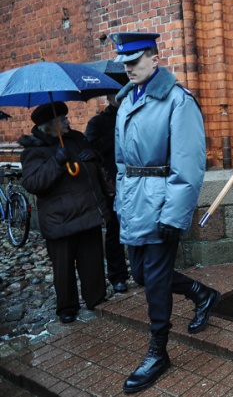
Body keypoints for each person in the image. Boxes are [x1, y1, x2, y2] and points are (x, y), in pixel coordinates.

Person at [108, 32, 220, 394]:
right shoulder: (126, 100)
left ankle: (158, 351)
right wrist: (120, 203)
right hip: (134, 202)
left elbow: (188, 164)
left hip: (160, 203)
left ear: (155, 59)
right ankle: (201, 293)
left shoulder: (176, 100)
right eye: (125, 62)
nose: (129, 67)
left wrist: (175, 215)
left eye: (136, 60)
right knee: (141, 274)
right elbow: (122, 162)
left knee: (154, 280)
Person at [18, 102, 109, 324]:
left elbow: (95, 164)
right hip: (60, 221)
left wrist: (94, 157)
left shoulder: (76, 138)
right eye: (63, 119)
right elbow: (33, 183)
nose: (68, 121)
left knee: (92, 262)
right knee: (64, 267)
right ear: (51, 126)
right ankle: (67, 306)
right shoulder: (34, 150)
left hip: (87, 213)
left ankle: (95, 298)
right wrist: (57, 160)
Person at [85, 72, 130, 294]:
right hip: (112, 184)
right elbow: (92, 152)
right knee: (114, 231)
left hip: (135, 182)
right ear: (112, 98)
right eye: (120, 95)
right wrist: (118, 131)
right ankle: (118, 275)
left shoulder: (136, 116)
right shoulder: (98, 123)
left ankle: (142, 270)